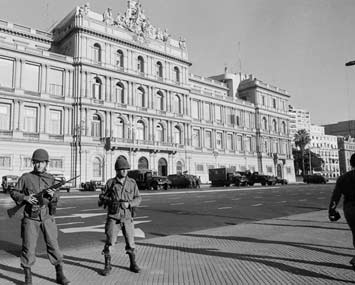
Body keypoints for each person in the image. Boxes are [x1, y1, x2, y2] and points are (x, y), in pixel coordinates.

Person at [9, 149, 69, 285]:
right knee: (28, 247)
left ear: (46, 163)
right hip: (30, 218)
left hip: (47, 216)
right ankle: (28, 279)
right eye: (36, 162)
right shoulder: (26, 177)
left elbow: (56, 199)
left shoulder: (51, 179)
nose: (38, 165)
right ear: (33, 163)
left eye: (41, 162)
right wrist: (26, 198)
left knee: (54, 246)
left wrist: (53, 195)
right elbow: (14, 192)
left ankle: (60, 274)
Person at [98, 156, 142, 276]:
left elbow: (138, 198)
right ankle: (107, 265)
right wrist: (108, 200)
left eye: (126, 169)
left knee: (130, 242)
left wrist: (130, 204)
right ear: (116, 170)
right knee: (110, 242)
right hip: (113, 217)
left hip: (127, 217)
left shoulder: (132, 183)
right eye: (121, 169)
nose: (124, 171)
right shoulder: (110, 183)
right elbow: (101, 198)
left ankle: (133, 264)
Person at [329, 153, 355, 270]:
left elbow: (335, 197)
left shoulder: (343, 178)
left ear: (351, 164)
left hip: (350, 209)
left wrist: (332, 211)